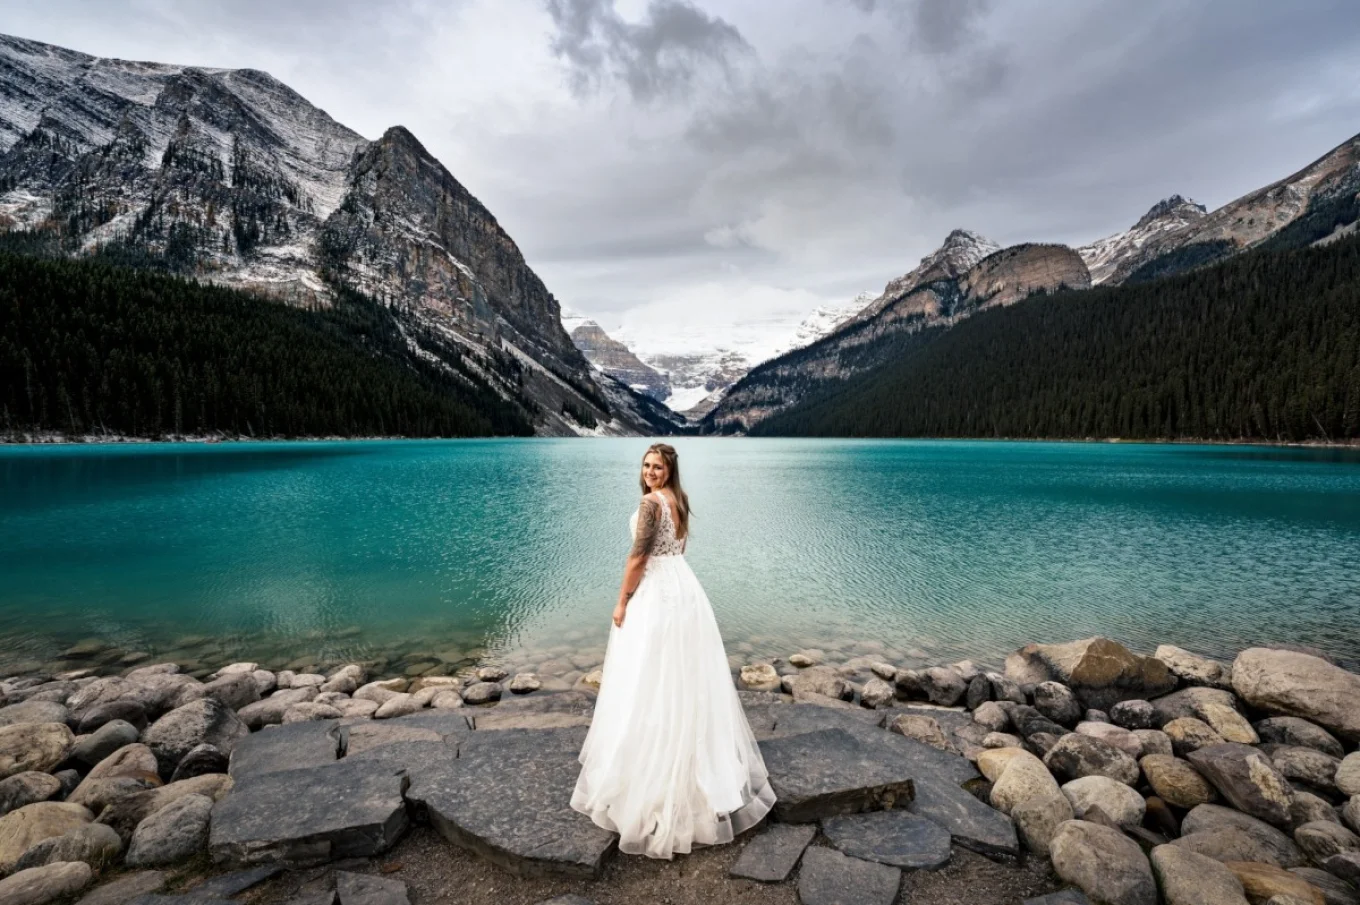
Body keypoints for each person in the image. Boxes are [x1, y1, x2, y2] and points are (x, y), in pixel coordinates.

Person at [569, 442, 776, 859]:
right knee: (683, 677)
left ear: (670, 469)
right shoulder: (679, 499)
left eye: (657, 466)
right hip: (683, 588)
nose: (649, 472)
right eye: (646, 466)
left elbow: (638, 557)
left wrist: (623, 601)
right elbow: (680, 547)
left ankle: (655, 772)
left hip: (656, 595)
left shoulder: (650, 505)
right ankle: (694, 762)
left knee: (648, 676)